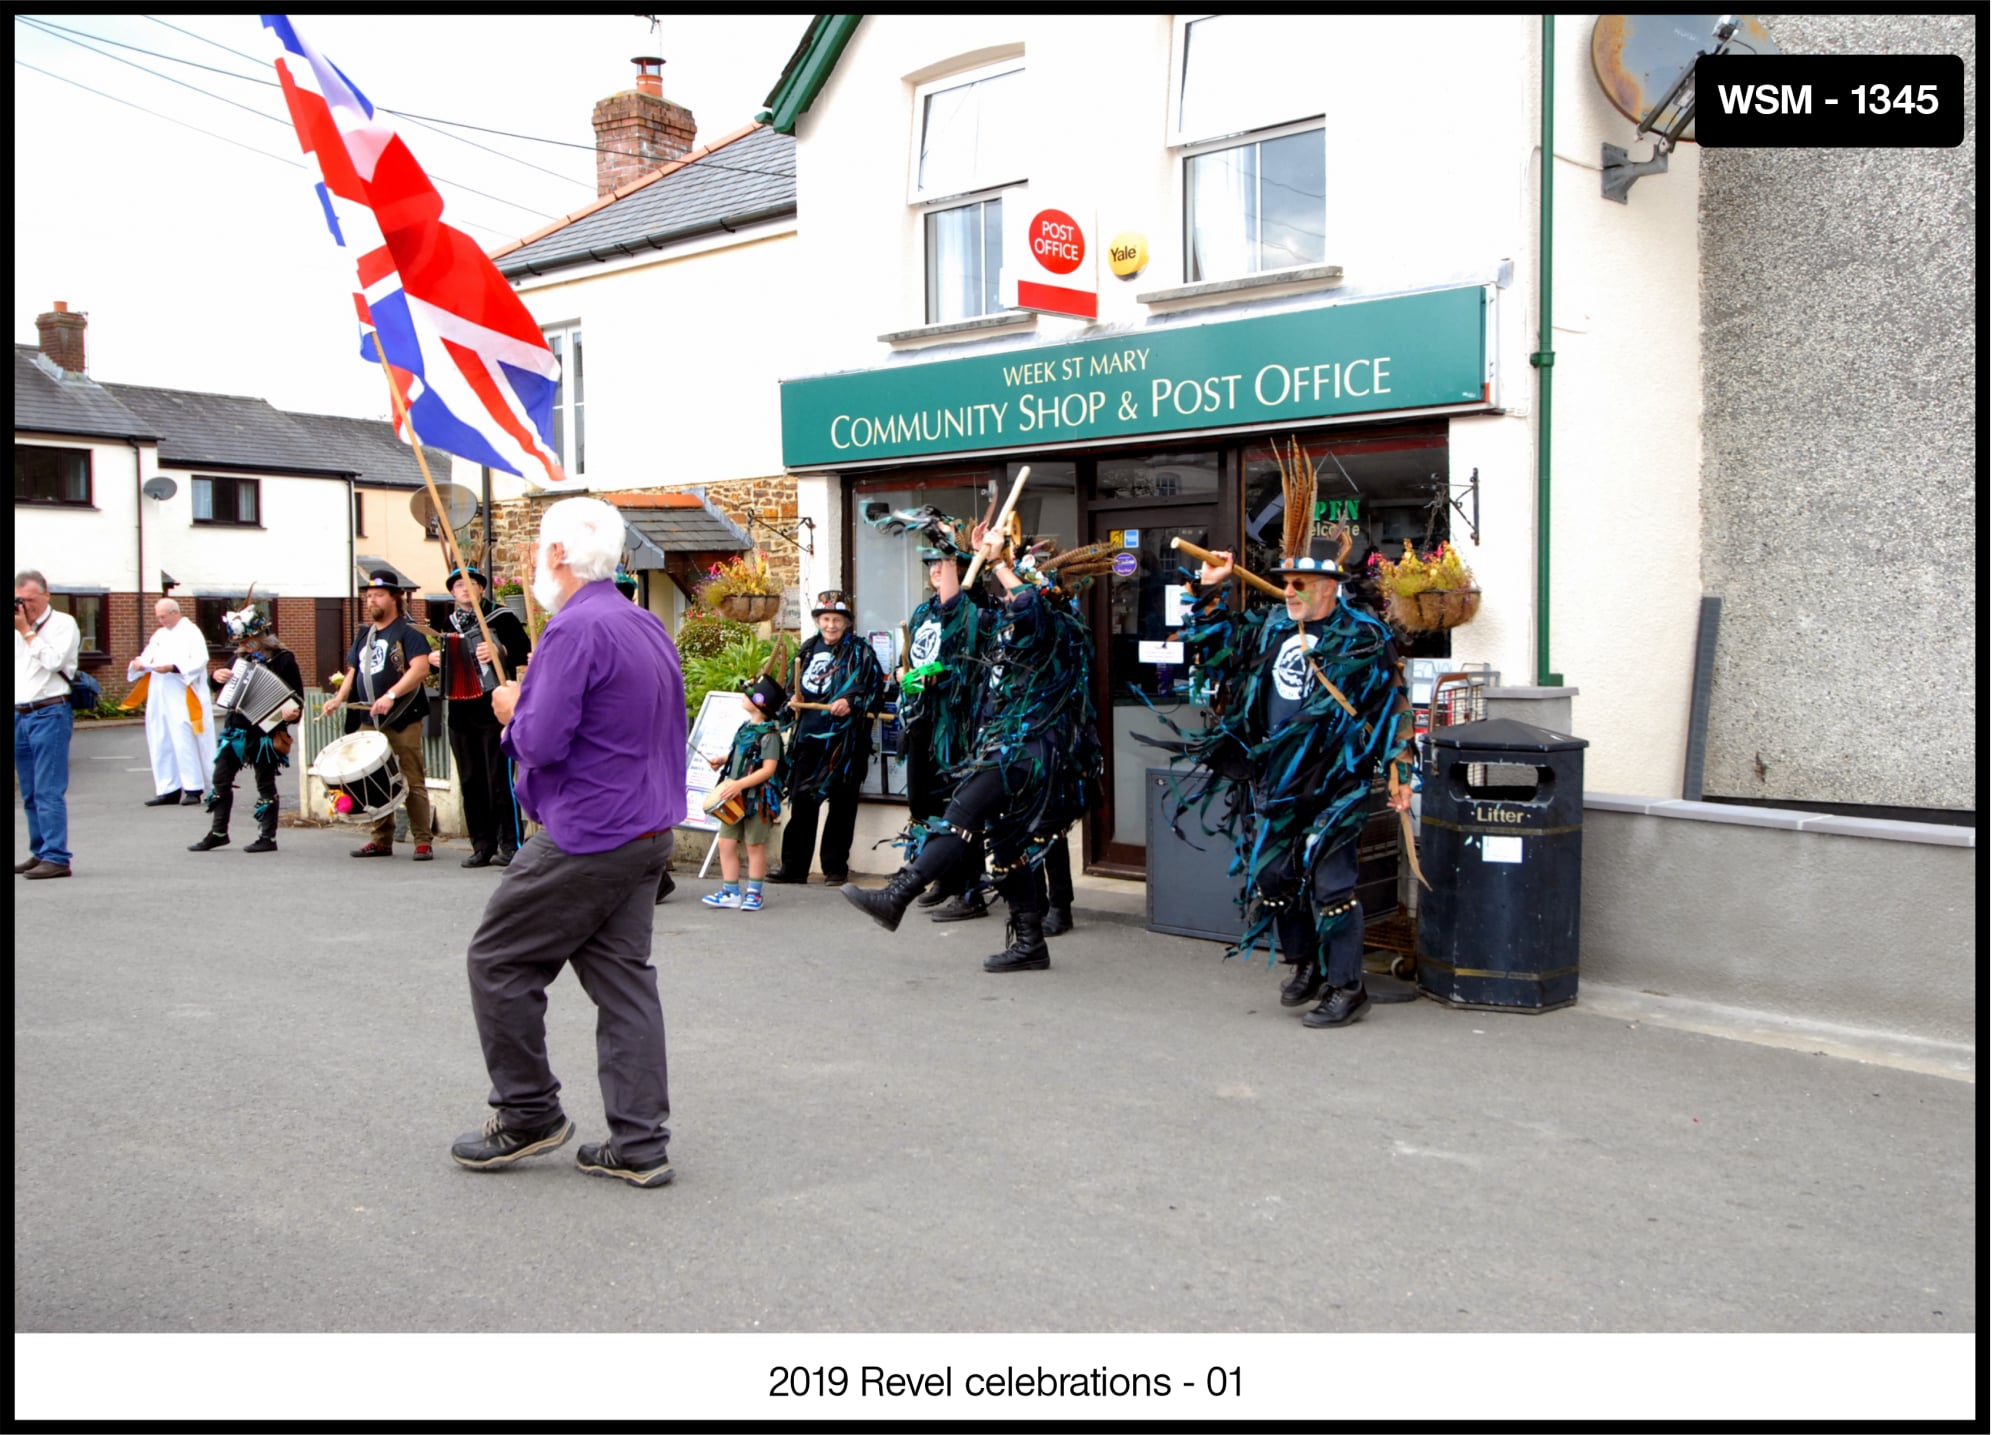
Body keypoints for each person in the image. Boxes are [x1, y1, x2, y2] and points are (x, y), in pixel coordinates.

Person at [450, 496, 687, 1189]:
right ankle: (640, 1142)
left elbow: (542, 739)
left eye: (534, 554)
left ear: (559, 555)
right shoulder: (645, 623)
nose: (530, 567)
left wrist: (511, 708)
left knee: (497, 958)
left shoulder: (572, 630)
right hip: (646, 827)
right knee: (623, 983)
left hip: (589, 830)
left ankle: (528, 1113)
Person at [1173, 532, 1415, 1028]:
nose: (1288, 592)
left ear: (1330, 587)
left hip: (1335, 779)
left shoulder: (1364, 635)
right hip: (1275, 777)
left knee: (1332, 886)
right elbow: (1210, 646)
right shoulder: (1269, 627)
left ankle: (1348, 987)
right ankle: (1306, 963)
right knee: (1273, 876)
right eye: (1285, 583)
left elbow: (1394, 706)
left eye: (1300, 583)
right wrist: (1207, 588)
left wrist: (1401, 773)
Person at [842, 525, 1108, 974]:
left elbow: (1026, 602)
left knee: (960, 816)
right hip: (1006, 747)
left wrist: (1001, 561)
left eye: (1012, 591)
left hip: (1030, 753)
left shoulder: (1055, 627)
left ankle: (897, 896)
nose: (1006, 599)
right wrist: (969, 551)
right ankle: (1030, 944)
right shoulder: (1015, 630)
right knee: (1007, 849)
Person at [881, 512, 997, 924]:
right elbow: (911, 660)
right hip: (921, 721)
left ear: (963, 571)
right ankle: (943, 876)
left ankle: (972, 890)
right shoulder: (921, 614)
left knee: (957, 809)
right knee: (922, 802)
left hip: (955, 727)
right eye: (930, 564)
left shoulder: (974, 612)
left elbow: (962, 663)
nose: (934, 571)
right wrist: (902, 674)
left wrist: (952, 543)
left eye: (942, 564)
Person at [321, 571, 436, 861]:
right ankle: (381, 839)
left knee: (411, 777)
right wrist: (338, 698)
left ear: (394, 598)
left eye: (378, 595)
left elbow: (420, 669)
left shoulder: (409, 632)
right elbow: (353, 671)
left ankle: (422, 840)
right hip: (369, 717)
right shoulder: (364, 634)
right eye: (368, 596)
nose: (371, 600)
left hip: (402, 715)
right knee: (370, 777)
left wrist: (391, 696)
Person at [770, 591, 883, 885]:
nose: (831, 625)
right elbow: (788, 691)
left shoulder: (862, 652)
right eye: (826, 619)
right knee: (802, 803)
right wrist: (791, 701)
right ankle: (793, 869)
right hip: (809, 739)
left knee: (842, 807)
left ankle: (835, 869)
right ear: (819, 621)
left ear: (846, 623)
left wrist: (852, 704)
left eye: (836, 620)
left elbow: (875, 693)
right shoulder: (807, 649)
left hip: (845, 745)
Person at [188, 593, 304, 855]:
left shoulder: (284, 659)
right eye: (241, 641)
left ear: (263, 635)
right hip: (236, 728)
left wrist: (291, 714)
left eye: (249, 640)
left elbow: (296, 699)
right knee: (221, 779)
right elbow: (217, 683)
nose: (245, 645)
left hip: (266, 729)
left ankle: (267, 836)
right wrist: (215, 677)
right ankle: (218, 832)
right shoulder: (239, 658)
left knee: (265, 783)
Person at [435, 563, 532, 868]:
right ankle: (481, 844)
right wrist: (435, 658)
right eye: (458, 585)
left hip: (493, 709)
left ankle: (510, 844)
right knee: (470, 780)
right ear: (452, 592)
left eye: (470, 583)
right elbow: (445, 664)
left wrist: (499, 650)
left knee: (499, 779)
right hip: (461, 712)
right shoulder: (448, 624)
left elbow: (526, 651)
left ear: (481, 588)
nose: (465, 588)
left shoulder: (501, 617)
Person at [699, 675, 789, 912]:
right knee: (726, 843)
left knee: (754, 845)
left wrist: (740, 784)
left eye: (748, 696)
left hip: (757, 799)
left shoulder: (770, 736)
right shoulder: (744, 728)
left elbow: (769, 769)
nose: (743, 697)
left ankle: (754, 893)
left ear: (761, 705)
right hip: (733, 797)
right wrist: (723, 760)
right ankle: (730, 891)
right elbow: (742, 755)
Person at [14, 569, 81, 879]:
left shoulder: (63, 623)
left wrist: (27, 631)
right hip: (20, 713)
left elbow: (54, 662)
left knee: (48, 789)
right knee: (28, 791)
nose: (26, 606)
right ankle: (40, 851)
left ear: (46, 594)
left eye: (31, 599)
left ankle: (57, 856)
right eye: (20, 600)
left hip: (50, 712)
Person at [127, 598, 215, 807]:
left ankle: (194, 787)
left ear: (175, 612)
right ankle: (168, 788)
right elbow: (147, 656)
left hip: (182, 693)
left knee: (184, 738)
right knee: (161, 738)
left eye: (163, 616)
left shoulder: (191, 632)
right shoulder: (160, 634)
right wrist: (139, 663)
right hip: (159, 693)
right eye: (158, 616)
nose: (160, 620)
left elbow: (200, 659)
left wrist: (174, 667)